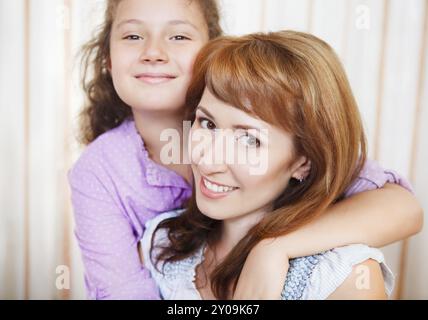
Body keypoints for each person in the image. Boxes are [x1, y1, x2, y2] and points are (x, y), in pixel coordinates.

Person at [69, 0, 422, 300]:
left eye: (178, 36)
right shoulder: (109, 183)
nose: (153, 53)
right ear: (108, 60)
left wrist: (273, 246)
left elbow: (402, 207)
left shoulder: (343, 273)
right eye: (132, 36)